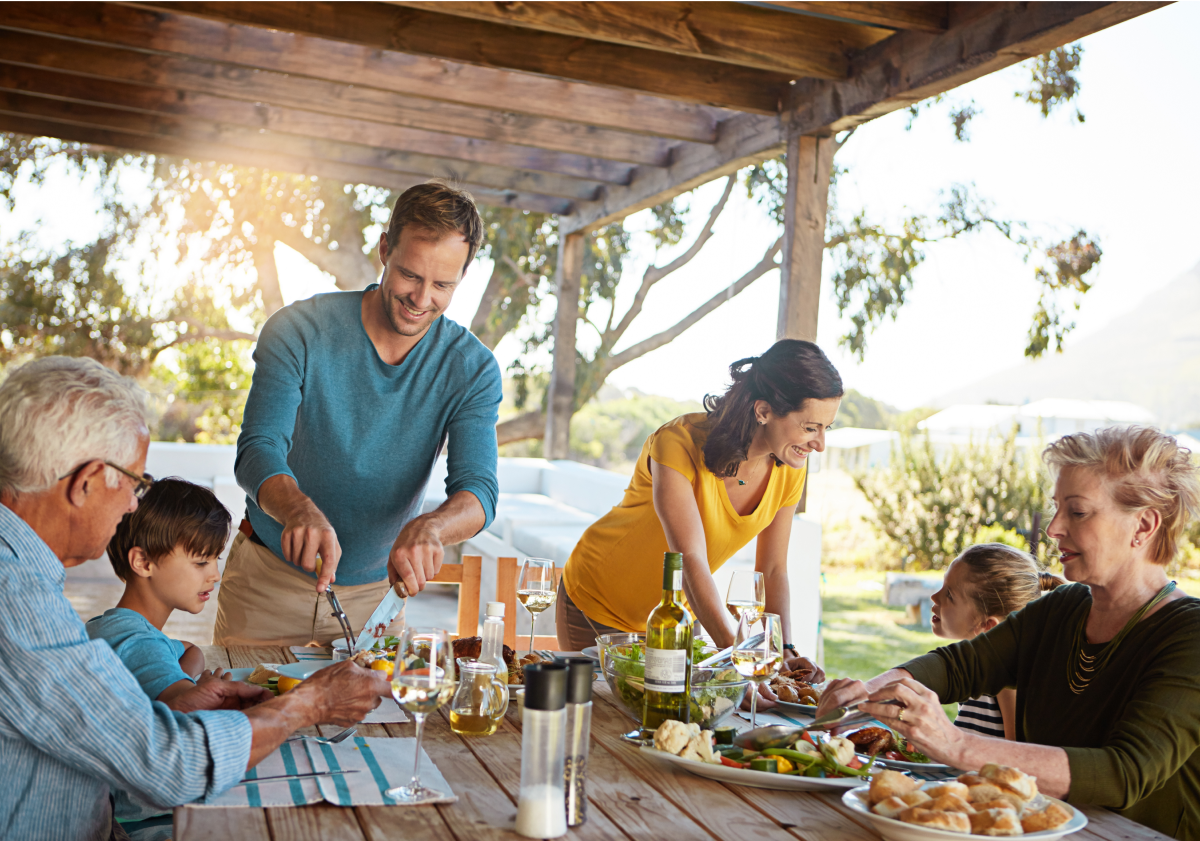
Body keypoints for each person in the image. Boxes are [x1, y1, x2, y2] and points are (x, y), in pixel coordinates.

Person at [0, 356, 389, 840]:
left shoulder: (22, 578)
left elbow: (93, 728)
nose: (131, 505)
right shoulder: (16, 602)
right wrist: (309, 703)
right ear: (87, 482)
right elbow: (169, 766)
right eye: (135, 484)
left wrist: (177, 707)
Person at [818, 426, 1200, 839]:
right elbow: (958, 666)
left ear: (1143, 526)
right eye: (1056, 508)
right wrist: (865, 692)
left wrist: (955, 745)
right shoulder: (1062, 607)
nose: (1053, 528)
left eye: (1077, 511)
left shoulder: (1188, 634)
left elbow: (1123, 773)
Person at [216, 181, 503, 647]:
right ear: (384, 249)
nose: (422, 298)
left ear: (463, 276)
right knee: (245, 716)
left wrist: (432, 527)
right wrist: (297, 509)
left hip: (377, 602)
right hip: (266, 584)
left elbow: (480, 492)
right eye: (410, 275)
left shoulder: (472, 370)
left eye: (443, 284)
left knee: (376, 724)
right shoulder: (298, 330)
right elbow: (257, 450)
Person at [557, 340, 841, 681]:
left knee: (684, 724)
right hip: (599, 601)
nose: (820, 444)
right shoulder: (677, 443)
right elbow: (688, 558)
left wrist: (782, 649)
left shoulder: (790, 469)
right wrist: (742, 657)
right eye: (810, 427)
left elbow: (774, 568)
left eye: (827, 428)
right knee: (606, 724)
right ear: (764, 411)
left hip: (674, 621)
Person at [87, 478, 230, 707]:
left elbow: (191, 650)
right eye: (201, 562)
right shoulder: (139, 643)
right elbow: (189, 708)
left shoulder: (112, 626)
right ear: (143, 562)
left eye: (216, 559)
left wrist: (179, 680)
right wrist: (189, 691)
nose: (215, 575)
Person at [928, 543, 1063, 739]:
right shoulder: (976, 668)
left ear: (989, 627)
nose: (934, 597)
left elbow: (1015, 755)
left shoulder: (1006, 679)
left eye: (949, 594)